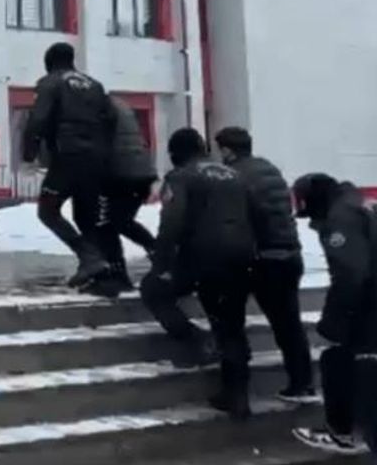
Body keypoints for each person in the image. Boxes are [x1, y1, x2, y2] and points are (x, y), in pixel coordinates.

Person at [140, 128, 256, 420]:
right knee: (231, 323)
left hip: (204, 255)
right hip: (241, 255)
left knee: (153, 289)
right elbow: (255, 212)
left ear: (175, 153)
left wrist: (161, 264)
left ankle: (196, 339)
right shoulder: (234, 175)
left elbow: (172, 221)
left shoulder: (181, 177)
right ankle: (237, 396)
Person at [214, 126, 315, 403]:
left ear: (227, 151)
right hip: (289, 253)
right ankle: (302, 383)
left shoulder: (232, 176)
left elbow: (235, 220)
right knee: (289, 324)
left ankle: (235, 390)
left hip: (261, 257)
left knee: (231, 322)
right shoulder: (269, 168)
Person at [290, 174, 377, 456]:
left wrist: (334, 321)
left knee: (342, 363)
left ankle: (344, 433)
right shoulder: (359, 205)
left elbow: (351, 274)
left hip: (367, 308)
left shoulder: (339, 219)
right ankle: (349, 430)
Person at [21, 42, 114, 288]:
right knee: (86, 217)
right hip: (97, 159)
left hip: (67, 156)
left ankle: (89, 257)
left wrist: (29, 151)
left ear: (49, 62)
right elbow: (110, 120)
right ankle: (95, 268)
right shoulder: (95, 85)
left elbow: (38, 118)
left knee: (48, 210)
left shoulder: (50, 82)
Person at [92, 97, 160, 295]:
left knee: (105, 224)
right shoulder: (118, 104)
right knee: (121, 221)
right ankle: (160, 255)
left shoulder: (93, 107)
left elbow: (95, 141)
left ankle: (117, 275)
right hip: (141, 172)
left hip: (118, 173)